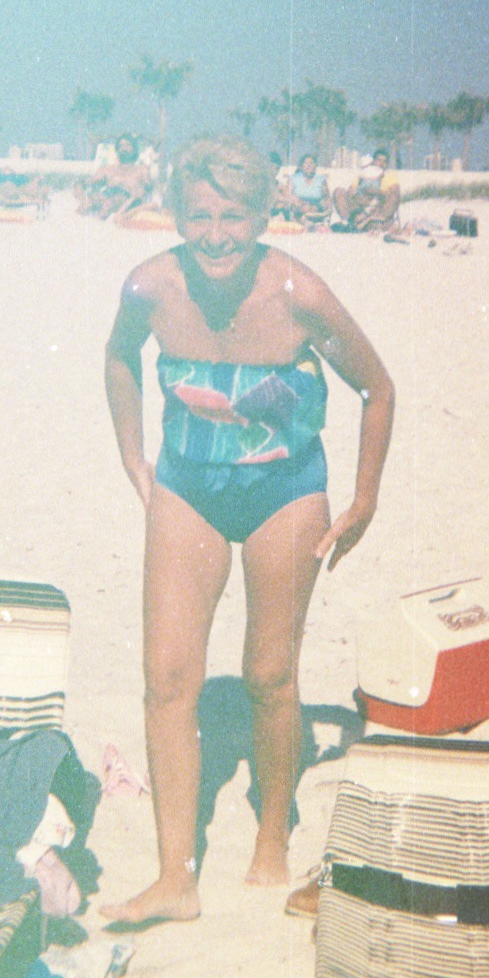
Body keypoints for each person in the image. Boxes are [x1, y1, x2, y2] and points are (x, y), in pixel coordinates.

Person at [102, 136, 394, 926]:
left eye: (235, 216)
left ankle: (272, 833)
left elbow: (376, 388)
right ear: (177, 214)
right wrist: (135, 458)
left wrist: (362, 498)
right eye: (200, 215)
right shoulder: (150, 287)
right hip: (188, 486)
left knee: (268, 673)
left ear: (265, 216)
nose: (218, 234)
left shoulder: (299, 293)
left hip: (283, 490)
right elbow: (120, 358)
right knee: (168, 680)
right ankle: (175, 876)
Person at [78, 135, 153, 219]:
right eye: (121, 145)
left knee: (108, 204)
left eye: (128, 145)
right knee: (87, 202)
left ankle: (98, 227)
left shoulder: (142, 169)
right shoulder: (107, 169)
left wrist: (142, 190)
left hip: (128, 198)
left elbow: (149, 189)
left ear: (134, 149)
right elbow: (89, 182)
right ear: (117, 150)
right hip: (107, 193)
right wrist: (82, 189)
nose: (124, 148)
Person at [333, 149, 401, 231]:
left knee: (393, 196)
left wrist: (377, 193)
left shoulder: (390, 177)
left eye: (385, 162)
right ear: (373, 161)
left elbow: (394, 194)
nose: (382, 164)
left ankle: (376, 221)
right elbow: (351, 192)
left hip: (377, 208)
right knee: (339, 191)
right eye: (379, 160)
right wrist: (362, 197)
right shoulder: (363, 175)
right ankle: (348, 222)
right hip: (359, 206)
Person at [285, 152, 332, 228]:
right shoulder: (294, 178)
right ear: (302, 166)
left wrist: (318, 207)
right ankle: (304, 222)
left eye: (311, 163)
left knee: (323, 204)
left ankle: (315, 224)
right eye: (306, 163)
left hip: (316, 208)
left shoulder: (320, 179)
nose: (309, 165)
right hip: (299, 208)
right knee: (292, 202)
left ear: (315, 166)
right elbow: (287, 194)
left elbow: (327, 197)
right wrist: (301, 204)